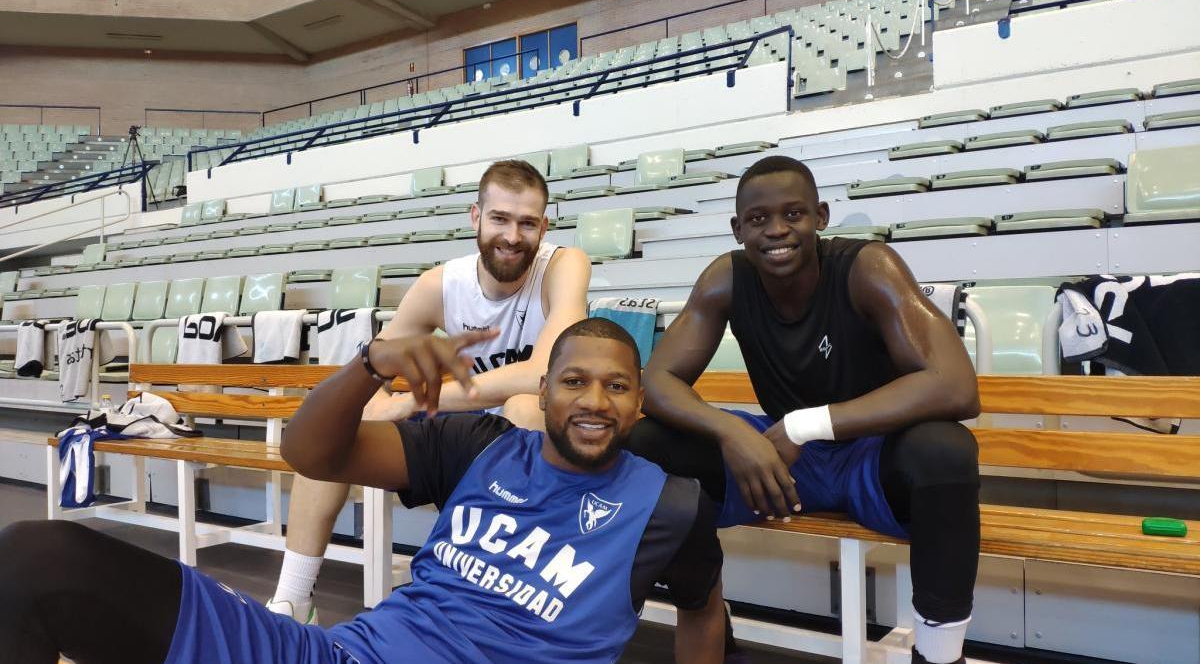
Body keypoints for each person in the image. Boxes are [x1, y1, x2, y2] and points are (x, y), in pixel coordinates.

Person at [0, 318, 727, 664]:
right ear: (544, 390)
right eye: (574, 380)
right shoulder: (479, 445)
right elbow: (309, 450)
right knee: (33, 559)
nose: (594, 399)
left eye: (617, 386)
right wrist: (368, 365)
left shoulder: (670, 505)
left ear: (638, 406)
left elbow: (703, 608)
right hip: (337, 657)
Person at [630, 155, 981, 664]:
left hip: (873, 456)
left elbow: (956, 387)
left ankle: (939, 658)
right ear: (737, 228)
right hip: (783, 464)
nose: (776, 230)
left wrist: (805, 423)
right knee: (648, 446)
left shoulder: (868, 268)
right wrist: (733, 432)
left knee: (945, 450)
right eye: (758, 219)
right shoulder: (725, 280)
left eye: (793, 214)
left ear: (820, 216)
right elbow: (657, 382)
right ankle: (709, 626)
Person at [272, 159, 591, 624]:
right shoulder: (440, 284)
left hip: (530, 445)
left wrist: (414, 401)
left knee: (526, 406)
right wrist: (380, 409)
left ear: (544, 226)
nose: (512, 235)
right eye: (500, 218)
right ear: (475, 217)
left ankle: (502, 602)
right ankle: (293, 600)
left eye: (527, 223)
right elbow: (372, 376)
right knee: (337, 428)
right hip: (459, 439)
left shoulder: (565, 265)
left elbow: (547, 375)